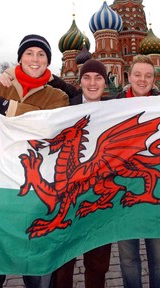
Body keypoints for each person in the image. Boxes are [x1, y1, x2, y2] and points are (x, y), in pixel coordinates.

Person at [0, 34, 69, 288]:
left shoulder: (57, 96)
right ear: (20, 58)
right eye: (29, 53)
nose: (34, 59)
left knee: (36, 272)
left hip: (34, 198)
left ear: (48, 61)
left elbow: (48, 124)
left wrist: (5, 106)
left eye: (41, 55)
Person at [52, 59, 112, 288]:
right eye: (87, 77)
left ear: (105, 83)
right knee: (63, 265)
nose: (92, 83)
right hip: (68, 201)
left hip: (97, 201)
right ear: (80, 82)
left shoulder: (115, 109)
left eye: (98, 78)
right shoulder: (66, 108)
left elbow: (156, 100)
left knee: (98, 267)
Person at [116, 54, 160, 288]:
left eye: (148, 76)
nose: (142, 80)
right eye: (137, 75)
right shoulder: (113, 106)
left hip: (156, 196)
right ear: (128, 76)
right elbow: (73, 97)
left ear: (154, 78)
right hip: (123, 195)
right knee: (128, 259)